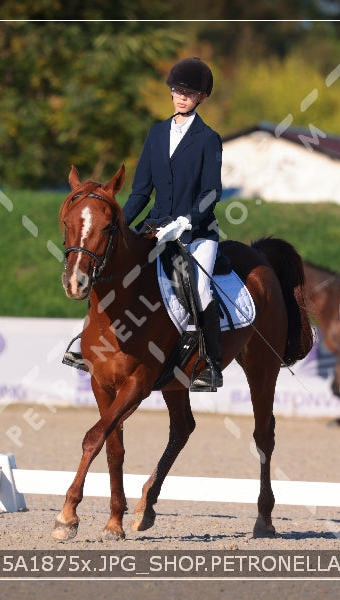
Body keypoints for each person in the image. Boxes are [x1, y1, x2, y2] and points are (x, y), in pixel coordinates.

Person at [63, 57, 224, 391]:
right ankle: (88, 344)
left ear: (202, 98)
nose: (181, 97)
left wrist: (186, 221)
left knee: (201, 289)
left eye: (189, 93)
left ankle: (209, 363)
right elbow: (140, 192)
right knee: (110, 267)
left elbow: (212, 192)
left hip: (196, 233)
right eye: (178, 90)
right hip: (155, 229)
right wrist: (120, 222)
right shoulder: (156, 133)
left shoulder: (208, 139)